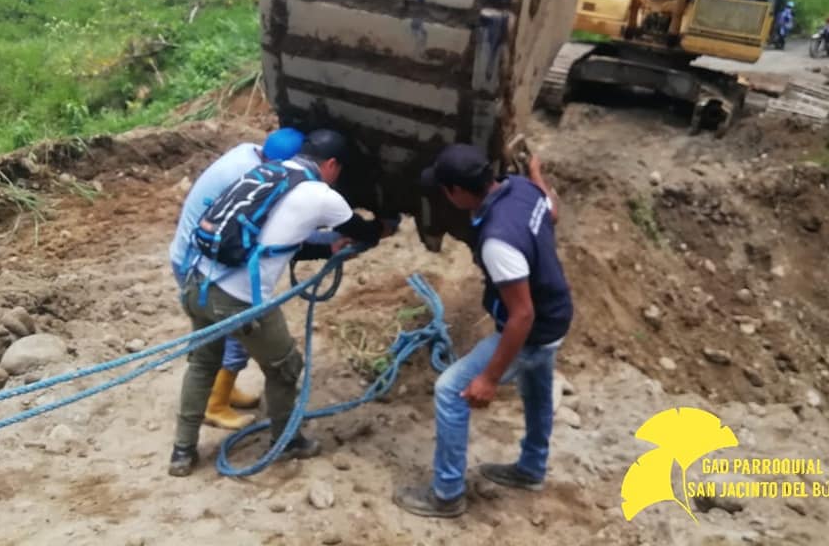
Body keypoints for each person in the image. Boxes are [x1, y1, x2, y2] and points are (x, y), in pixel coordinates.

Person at [169, 129, 395, 476]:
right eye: (340, 170)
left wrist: (327, 249)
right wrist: (385, 226)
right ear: (332, 164)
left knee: (202, 364)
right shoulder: (323, 196)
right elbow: (364, 232)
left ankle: (182, 452)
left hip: (196, 282)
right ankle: (287, 441)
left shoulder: (268, 172)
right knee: (286, 367)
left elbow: (274, 240)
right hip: (238, 300)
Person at [394, 144, 573, 518]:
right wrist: (536, 174)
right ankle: (531, 468)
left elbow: (521, 315)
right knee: (537, 386)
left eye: (445, 189)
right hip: (557, 312)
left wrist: (489, 378)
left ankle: (446, 495)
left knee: (450, 391)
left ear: (458, 192)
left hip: (535, 327)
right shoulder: (521, 187)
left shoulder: (497, 242)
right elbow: (552, 211)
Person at [169, 128, 305, 430]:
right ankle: (215, 404)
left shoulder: (247, 153)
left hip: (188, 254)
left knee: (219, 337)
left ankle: (224, 389)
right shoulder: (255, 178)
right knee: (236, 332)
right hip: (200, 264)